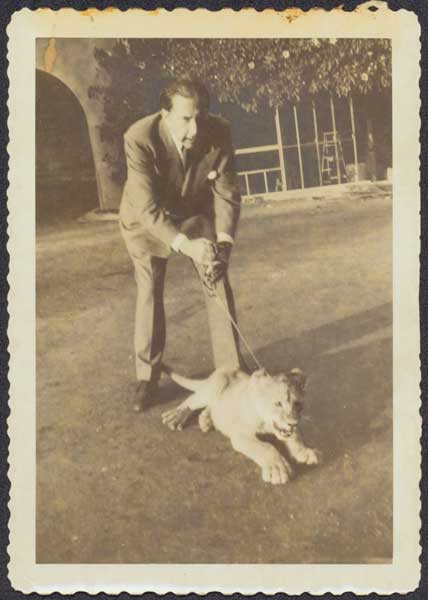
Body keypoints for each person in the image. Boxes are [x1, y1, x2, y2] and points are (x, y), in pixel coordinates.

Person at [119, 78, 243, 412]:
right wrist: (185, 246)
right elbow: (147, 209)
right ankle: (147, 377)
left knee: (215, 273)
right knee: (149, 290)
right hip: (146, 222)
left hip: (193, 214)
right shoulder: (139, 137)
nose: (195, 127)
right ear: (165, 114)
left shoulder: (219, 130)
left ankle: (231, 369)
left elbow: (227, 192)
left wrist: (223, 244)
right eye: (186, 119)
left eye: (200, 116)